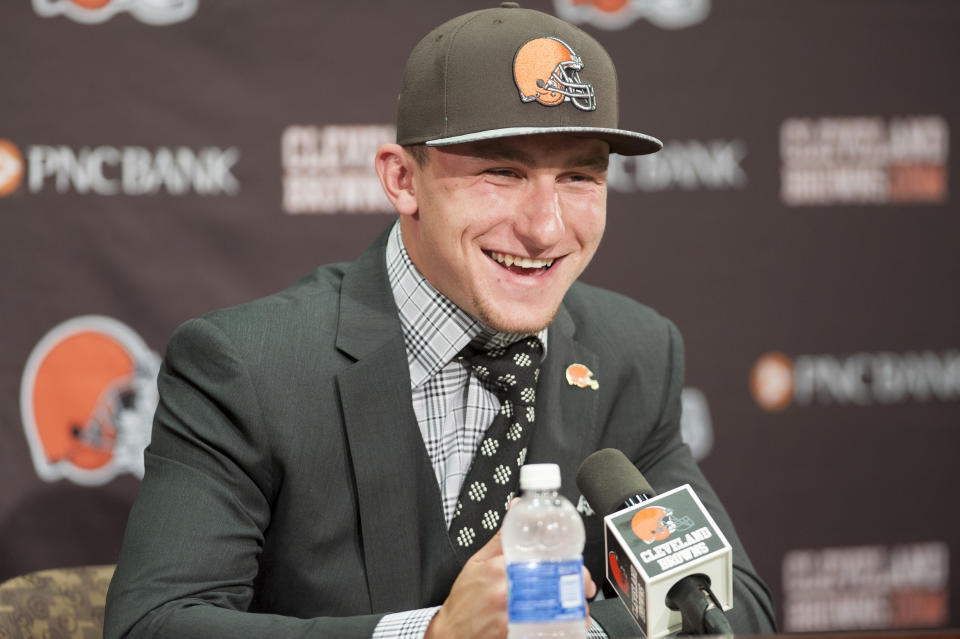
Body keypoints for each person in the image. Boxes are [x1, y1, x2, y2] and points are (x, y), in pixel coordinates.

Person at [105, 4, 777, 638]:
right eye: (502, 173)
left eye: (579, 178)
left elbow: (731, 606)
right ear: (402, 180)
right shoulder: (248, 365)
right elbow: (156, 623)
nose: (545, 228)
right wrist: (431, 633)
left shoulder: (634, 352)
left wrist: (561, 626)